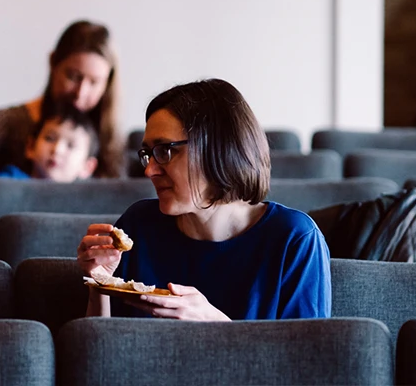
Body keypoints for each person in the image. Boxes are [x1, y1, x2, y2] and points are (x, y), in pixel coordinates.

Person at [76, 79, 330, 321]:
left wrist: (216, 326)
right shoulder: (139, 224)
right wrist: (99, 283)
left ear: (217, 148)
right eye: (148, 154)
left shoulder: (294, 239)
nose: (149, 170)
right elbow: (103, 351)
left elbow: (306, 362)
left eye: (165, 151)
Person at [0, 19, 122, 178]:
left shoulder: (111, 139)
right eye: (73, 77)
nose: (81, 92)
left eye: (94, 82)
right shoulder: (2, 122)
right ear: (52, 63)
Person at [0, 102, 99, 182]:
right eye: (50, 138)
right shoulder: (10, 181)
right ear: (31, 147)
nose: (57, 149)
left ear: (87, 167)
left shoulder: (85, 200)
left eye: (70, 145)